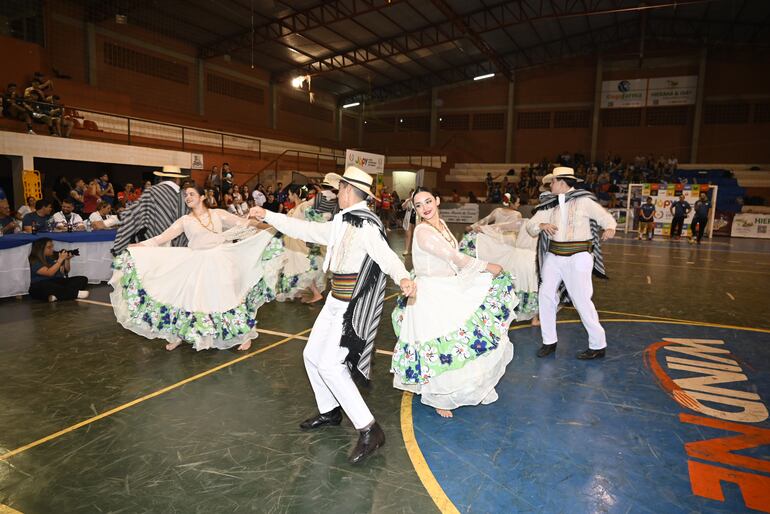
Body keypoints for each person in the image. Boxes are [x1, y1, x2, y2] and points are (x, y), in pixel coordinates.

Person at [248, 166, 416, 465]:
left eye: (340, 189)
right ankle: (330, 410)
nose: (337, 194)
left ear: (349, 191)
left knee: (330, 364)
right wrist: (268, 216)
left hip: (351, 307)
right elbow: (307, 230)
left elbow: (388, 256)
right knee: (312, 355)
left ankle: (369, 429)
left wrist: (403, 277)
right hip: (334, 302)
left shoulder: (365, 225)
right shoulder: (342, 221)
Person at [391, 188, 515, 418]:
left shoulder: (442, 225)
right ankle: (440, 396)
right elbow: (455, 257)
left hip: (449, 286)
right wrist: (488, 266)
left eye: (428, 201)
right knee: (440, 343)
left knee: (459, 338)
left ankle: (467, 387)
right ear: (415, 209)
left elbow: (455, 260)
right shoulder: (422, 231)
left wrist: (473, 277)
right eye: (419, 205)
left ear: (437, 201)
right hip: (430, 293)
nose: (425, 207)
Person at [110, 185, 276, 352]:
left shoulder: (217, 214)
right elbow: (162, 238)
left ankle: (245, 335)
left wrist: (272, 225)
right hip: (196, 261)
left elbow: (246, 223)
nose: (187, 197)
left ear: (202, 197)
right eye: (186, 195)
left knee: (227, 298)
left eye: (191, 194)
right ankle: (178, 335)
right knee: (187, 299)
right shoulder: (185, 220)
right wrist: (139, 245)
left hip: (220, 260)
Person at [526, 167, 616, 360]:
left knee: (581, 299)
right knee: (546, 295)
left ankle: (598, 344)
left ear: (562, 182)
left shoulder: (584, 200)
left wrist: (609, 228)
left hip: (579, 255)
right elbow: (530, 226)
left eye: (552, 182)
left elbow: (604, 217)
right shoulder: (548, 204)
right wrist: (541, 225)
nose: (550, 185)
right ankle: (549, 341)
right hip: (554, 255)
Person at [459, 193, 540, 324]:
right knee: (513, 275)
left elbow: (485, 221)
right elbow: (506, 228)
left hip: (495, 244)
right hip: (507, 245)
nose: (519, 205)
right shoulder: (517, 215)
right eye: (518, 203)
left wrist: (473, 227)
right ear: (512, 203)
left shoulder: (497, 211)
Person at [112, 166, 189, 255]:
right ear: (177, 179)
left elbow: (131, 213)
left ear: (161, 178)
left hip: (154, 245)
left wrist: (107, 222)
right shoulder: (186, 196)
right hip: (179, 248)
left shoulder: (151, 192)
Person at [274, 184, 327, 304]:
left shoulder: (303, 206)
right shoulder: (293, 210)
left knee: (303, 268)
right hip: (292, 245)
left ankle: (316, 294)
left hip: (300, 245)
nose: (288, 196)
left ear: (295, 194)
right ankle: (299, 291)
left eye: (289, 194)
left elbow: (314, 213)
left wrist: (322, 192)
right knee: (296, 268)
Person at [401, 189, 416, 255]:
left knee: (415, 235)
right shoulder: (408, 201)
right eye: (411, 194)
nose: (412, 196)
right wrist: (408, 200)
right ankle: (406, 250)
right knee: (408, 234)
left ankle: (414, 250)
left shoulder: (418, 201)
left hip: (416, 218)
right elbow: (403, 207)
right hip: (409, 219)